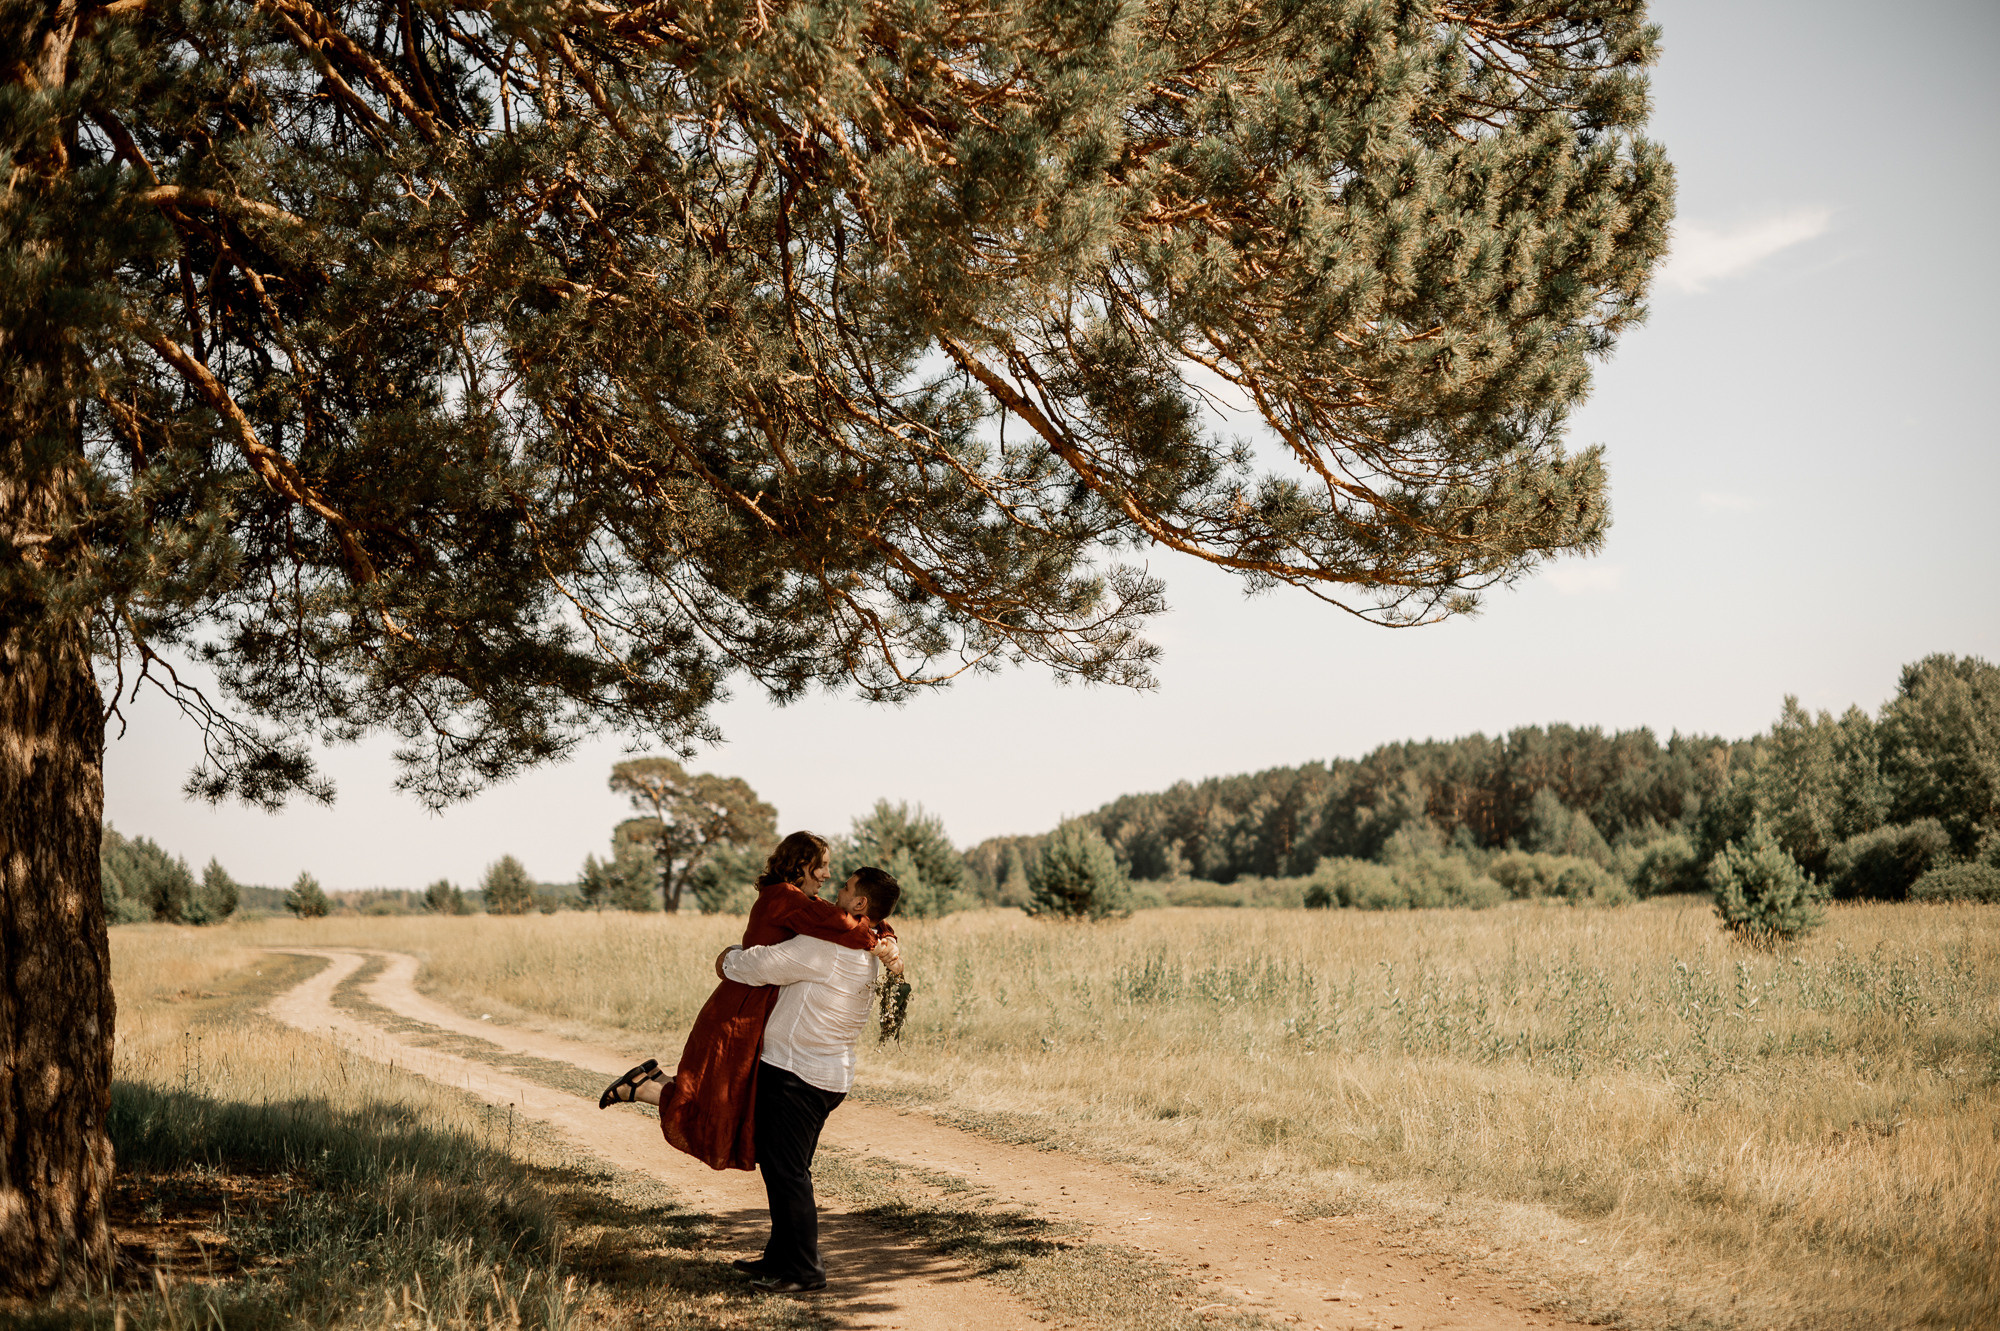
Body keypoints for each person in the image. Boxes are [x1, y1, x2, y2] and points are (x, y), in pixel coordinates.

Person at [596, 832, 902, 1174]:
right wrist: (879, 942)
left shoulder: (804, 901)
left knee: (733, 1094)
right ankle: (645, 1088)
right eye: (823, 866)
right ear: (802, 865)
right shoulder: (785, 897)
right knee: (725, 1095)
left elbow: (848, 918)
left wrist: (886, 935)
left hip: (755, 1002)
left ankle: (650, 1083)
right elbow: (844, 923)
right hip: (741, 1007)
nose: (828, 876)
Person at [717, 865, 901, 1292]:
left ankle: (804, 1270)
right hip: (825, 1073)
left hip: (797, 1073)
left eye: (846, 888)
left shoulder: (827, 946)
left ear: (860, 903)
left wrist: (727, 957)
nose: (836, 891)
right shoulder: (871, 942)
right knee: (786, 1168)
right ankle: (780, 1257)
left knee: (788, 1172)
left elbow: (757, 966)